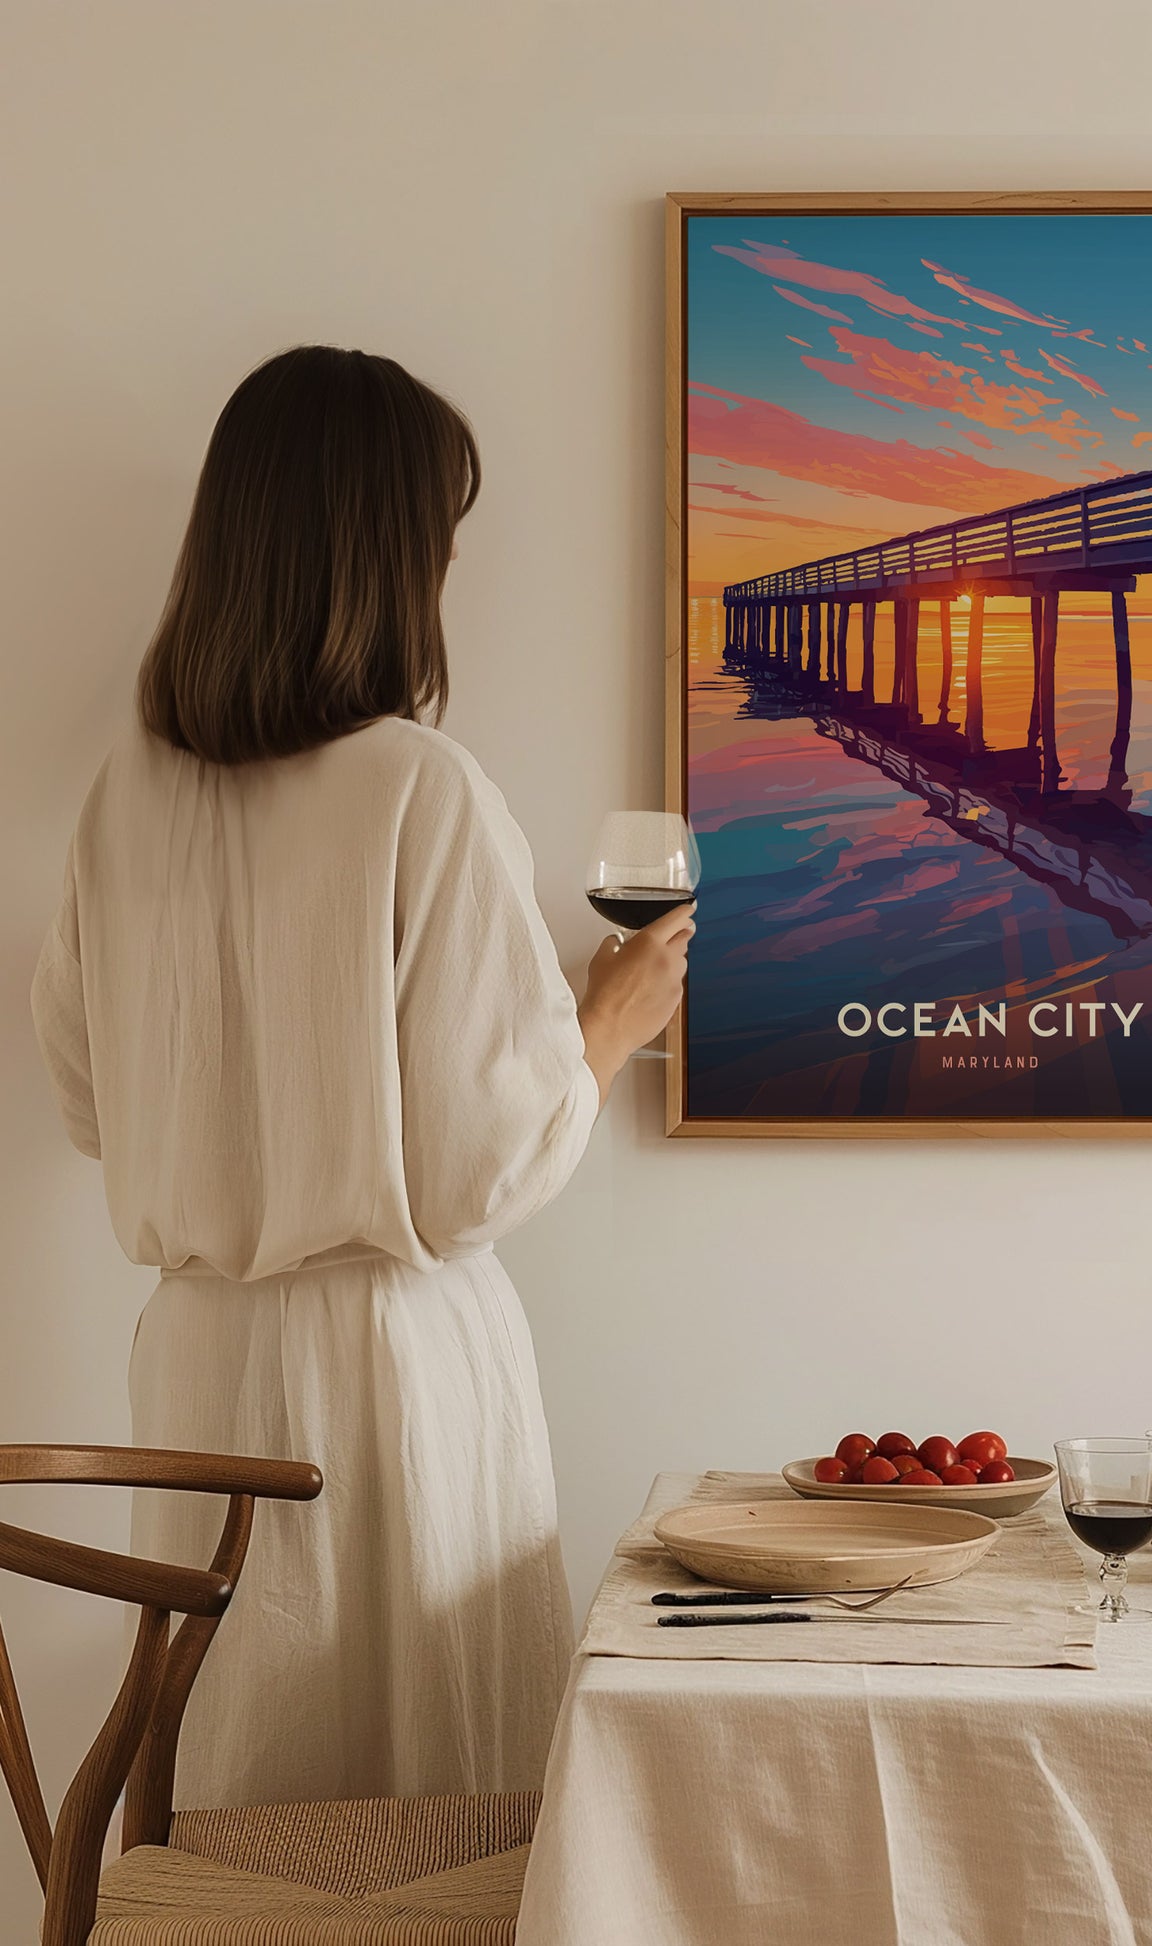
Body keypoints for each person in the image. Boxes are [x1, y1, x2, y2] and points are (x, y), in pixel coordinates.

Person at [29, 345, 688, 1806]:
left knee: (240, 1786)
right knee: (422, 1809)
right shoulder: (417, 785)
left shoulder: (123, 797)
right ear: (388, 556)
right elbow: (474, 1173)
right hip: (390, 1372)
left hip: (199, 1361)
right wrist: (606, 1020)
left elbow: (87, 1101)